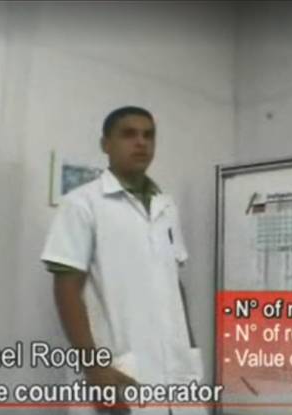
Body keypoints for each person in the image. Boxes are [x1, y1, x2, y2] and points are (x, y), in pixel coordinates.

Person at [41, 106, 203, 414]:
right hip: (117, 369)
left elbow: (174, 283)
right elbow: (66, 290)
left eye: (148, 135)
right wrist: (94, 369)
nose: (141, 142)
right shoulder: (82, 204)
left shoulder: (166, 206)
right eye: (129, 134)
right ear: (106, 144)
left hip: (177, 371)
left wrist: (191, 349)